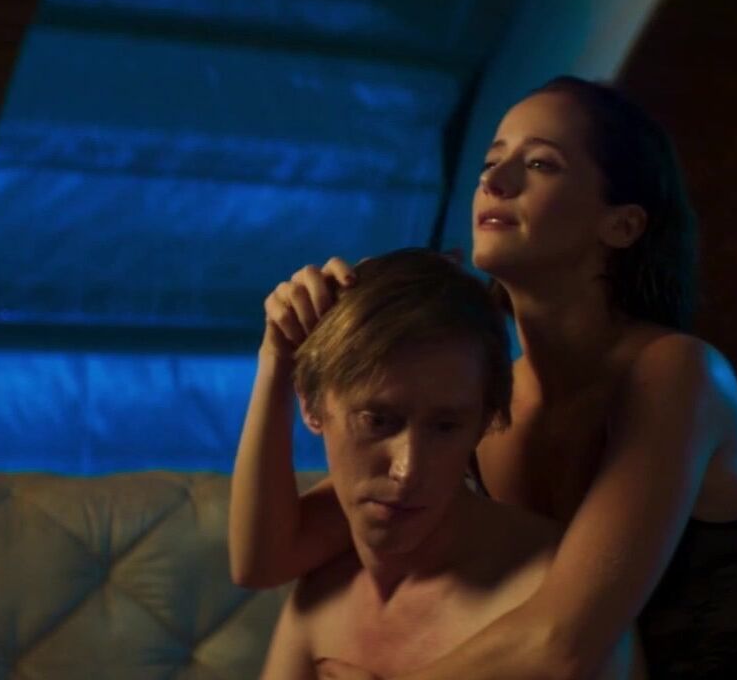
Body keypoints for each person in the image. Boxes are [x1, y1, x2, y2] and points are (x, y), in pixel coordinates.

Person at [232, 76, 737, 679]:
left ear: (623, 225)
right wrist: (278, 356)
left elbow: (560, 645)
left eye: (541, 163)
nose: (494, 181)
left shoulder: (676, 374)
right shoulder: (479, 399)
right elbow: (265, 559)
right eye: (491, 162)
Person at [251, 249, 638, 679]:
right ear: (311, 405)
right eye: (378, 421)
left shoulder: (555, 602)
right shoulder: (326, 584)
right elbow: (254, 562)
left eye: (446, 427)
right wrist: (274, 356)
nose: (407, 470)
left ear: (482, 424)